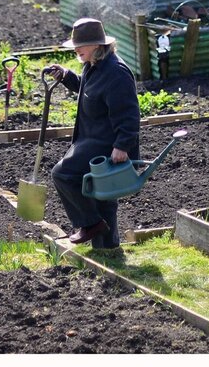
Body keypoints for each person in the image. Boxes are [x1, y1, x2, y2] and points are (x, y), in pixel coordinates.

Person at [45, 17, 141, 252]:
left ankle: (90, 223)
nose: (77, 49)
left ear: (98, 45)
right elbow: (89, 90)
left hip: (106, 144)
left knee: (63, 174)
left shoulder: (116, 73)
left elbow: (129, 113)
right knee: (103, 195)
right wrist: (67, 76)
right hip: (91, 138)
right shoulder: (93, 66)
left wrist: (122, 145)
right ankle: (108, 249)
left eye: (81, 45)